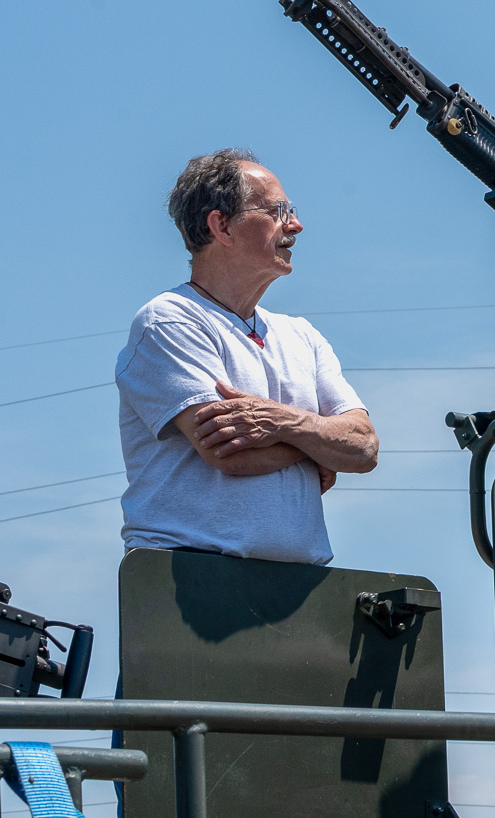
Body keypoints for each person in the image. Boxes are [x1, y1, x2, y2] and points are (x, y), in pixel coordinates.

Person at [114, 148, 378, 564]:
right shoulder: (168, 321)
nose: (296, 224)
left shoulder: (302, 336)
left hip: (298, 590)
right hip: (190, 577)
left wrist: (281, 424)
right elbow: (230, 453)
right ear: (221, 226)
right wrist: (319, 447)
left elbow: (364, 447)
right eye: (277, 210)